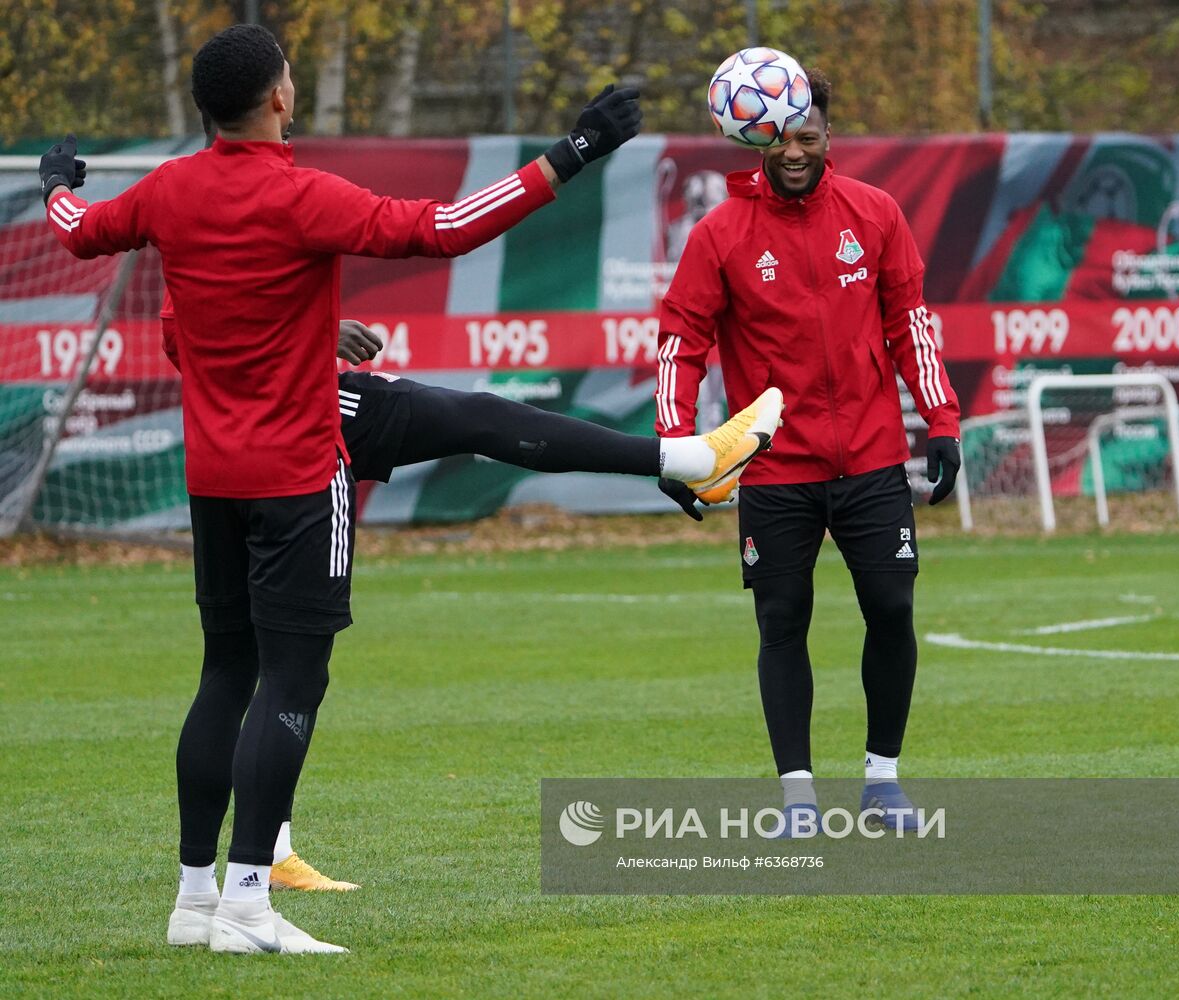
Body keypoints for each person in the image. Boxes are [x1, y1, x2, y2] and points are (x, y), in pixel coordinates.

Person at [41, 22, 776, 953]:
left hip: (215, 475)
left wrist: (55, 181)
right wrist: (573, 152)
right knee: (295, 675)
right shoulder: (300, 194)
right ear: (280, 97)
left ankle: (195, 901)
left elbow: (78, 232)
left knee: (226, 671)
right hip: (300, 467)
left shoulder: (168, 191)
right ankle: (249, 903)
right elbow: (446, 230)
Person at [157, 310, 784, 890]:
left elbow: (178, 328)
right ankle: (691, 458)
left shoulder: (186, 236)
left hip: (220, 439)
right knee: (482, 420)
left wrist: (311, 332)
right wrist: (311, 333)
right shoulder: (257, 226)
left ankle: (211, 887)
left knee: (237, 668)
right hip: (297, 418)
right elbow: (432, 235)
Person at [654, 68, 961, 834]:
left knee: (891, 607)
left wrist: (941, 421)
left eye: (808, 136)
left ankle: (882, 783)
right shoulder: (720, 233)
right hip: (774, 467)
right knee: (781, 619)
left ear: (828, 137)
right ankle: (797, 797)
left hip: (871, 458)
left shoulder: (875, 212)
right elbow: (680, 342)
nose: (793, 151)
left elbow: (910, 325)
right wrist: (674, 442)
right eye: (779, 138)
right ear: (754, 138)